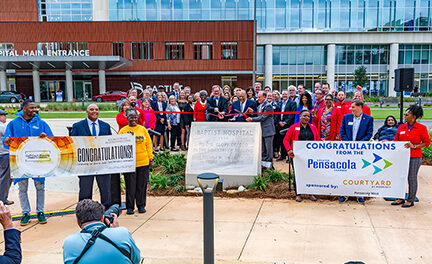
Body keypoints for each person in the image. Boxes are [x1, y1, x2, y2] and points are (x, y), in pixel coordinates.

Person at [3, 100, 53, 226]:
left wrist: (45, 137)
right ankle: (26, 213)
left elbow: (52, 138)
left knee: (40, 186)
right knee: (22, 188)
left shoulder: (41, 123)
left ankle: (40, 212)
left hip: (38, 161)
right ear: (24, 108)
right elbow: (6, 140)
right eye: (31, 107)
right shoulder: (14, 123)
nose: (34, 110)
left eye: (35, 107)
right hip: (21, 161)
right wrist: (8, 141)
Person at [63, 199, 141, 264]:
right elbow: (137, 261)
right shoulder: (123, 233)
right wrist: (115, 231)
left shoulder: (69, 242)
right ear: (102, 218)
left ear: (78, 223)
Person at [70, 104, 112, 210]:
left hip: (102, 164)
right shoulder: (78, 126)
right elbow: (72, 143)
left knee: (105, 189)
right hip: (85, 164)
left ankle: (106, 210)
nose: (94, 111)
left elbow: (110, 143)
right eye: (92, 109)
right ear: (87, 111)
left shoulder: (105, 126)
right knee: (85, 190)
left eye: (97, 109)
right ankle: (84, 211)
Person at [391, 105, 431, 208]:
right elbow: (396, 140)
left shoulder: (421, 128)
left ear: (413, 116)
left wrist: (415, 146)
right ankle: (400, 197)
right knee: (400, 177)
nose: (404, 116)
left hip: (415, 157)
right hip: (402, 156)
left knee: (411, 177)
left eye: (406, 114)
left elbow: (427, 143)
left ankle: (410, 199)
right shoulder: (401, 127)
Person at [119, 109, 154, 214]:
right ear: (127, 117)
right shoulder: (123, 131)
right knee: (130, 186)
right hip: (129, 163)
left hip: (143, 162)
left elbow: (149, 144)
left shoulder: (142, 130)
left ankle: (141, 205)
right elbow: (119, 146)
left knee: (141, 185)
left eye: (135, 117)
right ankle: (130, 207)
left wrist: (150, 158)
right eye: (131, 117)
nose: (133, 119)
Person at [339, 100, 374, 204]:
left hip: (361, 151)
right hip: (348, 151)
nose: (351, 109)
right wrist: (349, 144)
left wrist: (358, 145)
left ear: (360, 107)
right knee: (346, 172)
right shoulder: (346, 117)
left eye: (353, 107)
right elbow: (342, 132)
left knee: (360, 172)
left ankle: (360, 194)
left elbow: (369, 134)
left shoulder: (368, 119)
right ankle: (344, 194)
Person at [283, 110, 320, 202]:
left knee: (310, 174)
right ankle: (298, 193)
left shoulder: (312, 127)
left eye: (308, 116)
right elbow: (286, 140)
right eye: (304, 116)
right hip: (297, 156)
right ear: (300, 117)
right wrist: (289, 150)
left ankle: (310, 192)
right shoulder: (293, 127)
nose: (306, 118)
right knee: (298, 174)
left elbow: (318, 139)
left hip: (310, 155)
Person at [246, 91, 276, 169]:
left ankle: (269, 166)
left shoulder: (268, 106)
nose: (258, 99)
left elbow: (263, 117)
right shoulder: (260, 106)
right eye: (257, 97)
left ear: (264, 97)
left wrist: (252, 119)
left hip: (268, 131)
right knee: (262, 149)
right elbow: (259, 115)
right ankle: (263, 164)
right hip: (261, 130)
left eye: (259, 97)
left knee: (268, 149)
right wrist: (253, 113)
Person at [276, 90, 297, 162]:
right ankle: (282, 156)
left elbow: (292, 114)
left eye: (285, 94)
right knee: (281, 141)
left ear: (288, 95)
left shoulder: (292, 103)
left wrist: (285, 122)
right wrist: (279, 122)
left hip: (288, 125)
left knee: (288, 141)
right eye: (283, 94)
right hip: (280, 124)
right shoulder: (279, 103)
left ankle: (289, 157)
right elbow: (277, 113)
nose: (284, 96)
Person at [0, 110, 12, 206]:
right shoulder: (2, 126)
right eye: (4, 115)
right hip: (4, 154)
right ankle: (3, 199)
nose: (5, 117)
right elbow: (11, 137)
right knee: (5, 178)